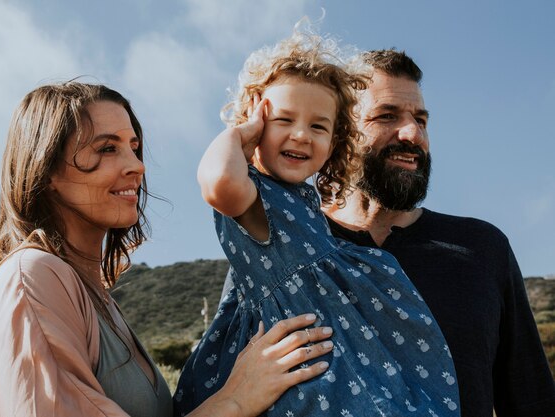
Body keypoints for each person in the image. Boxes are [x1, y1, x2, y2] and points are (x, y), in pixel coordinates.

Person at [0, 82, 335, 417]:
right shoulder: (33, 277)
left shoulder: (95, 297)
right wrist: (235, 399)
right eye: (107, 148)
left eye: (133, 148)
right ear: (46, 168)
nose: (136, 166)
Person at [174, 30, 460, 417]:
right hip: (296, 363)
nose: (300, 135)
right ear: (256, 121)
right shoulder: (252, 194)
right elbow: (218, 182)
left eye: (318, 127)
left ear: (335, 142)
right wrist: (242, 132)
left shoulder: (302, 200)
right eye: (283, 120)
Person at [321, 50, 555, 416]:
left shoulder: (481, 249)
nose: (413, 134)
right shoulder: (292, 245)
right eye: (387, 116)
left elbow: (532, 402)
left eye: (421, 120)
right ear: (339, 131)